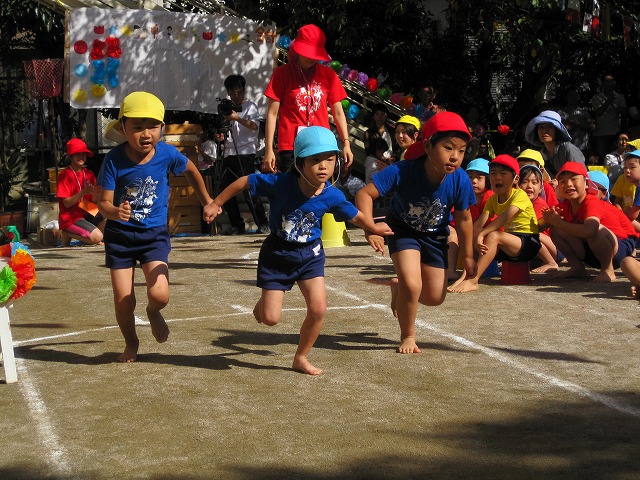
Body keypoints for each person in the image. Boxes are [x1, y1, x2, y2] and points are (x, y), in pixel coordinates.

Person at [206, 126, 393, 375]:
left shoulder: (332, 195)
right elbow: (245, 181)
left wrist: (374, 228)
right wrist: (216, 203)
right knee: (270, 319)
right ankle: (265, 301)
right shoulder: (280, 183)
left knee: (318, 309)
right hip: (277, 256)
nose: (323, 166)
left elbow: (355, 215)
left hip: (310, 257)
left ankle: (301, 357)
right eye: (315, 160)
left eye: (330, 159)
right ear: (300, 162)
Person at [97, 91, 219, 363]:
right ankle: (131, 342)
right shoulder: (113, 159)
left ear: (162, 128)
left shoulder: (167, 153)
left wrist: (207, 201)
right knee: (124, 301)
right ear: (122, 128)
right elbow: (102, 203)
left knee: (160, 295)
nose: (146, 134)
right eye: (137, 127)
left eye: (152, 126)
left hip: (153, 236)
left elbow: (191, 170)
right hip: (120, 237)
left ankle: (153, 312)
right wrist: (115, 212)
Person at [356, 112, 476, 354]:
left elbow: (464, 219)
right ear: (428, 146)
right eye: (448, 147)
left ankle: (398, 287)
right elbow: (364, 194)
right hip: (403, 231)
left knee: (434, 297)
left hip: (435, 236)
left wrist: (468, 256)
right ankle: (408, 335)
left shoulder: (460, 180)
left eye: (461, 151)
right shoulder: (403, 170)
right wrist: (371, 229)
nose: (455, 156)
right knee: (412, 285)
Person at [262, 24, 352, 173]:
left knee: (320, 187)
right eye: (307, 52)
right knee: (293, 186)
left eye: (314, 54)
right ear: (297, 49)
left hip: (321, 144)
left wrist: (346, 143)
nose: (311, 58)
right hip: (291, 145)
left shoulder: (329, 75)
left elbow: (338, 113)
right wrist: (269, 149)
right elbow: (272, 114)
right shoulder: (282, 74)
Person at [448, 155, 540, 293]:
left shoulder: (520, 195)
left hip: (528, 242)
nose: (497, 178)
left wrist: (483, 234)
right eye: (493, 173)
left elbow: (505, 217)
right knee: (475, 232)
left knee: (493, 235)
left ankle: (473, 280)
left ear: (516, 179)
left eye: (503, 174)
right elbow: (479, 223)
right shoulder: (493, 199)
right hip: (509, 244)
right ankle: (467, 275)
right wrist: (476, 237)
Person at [542, 162, 636, 283]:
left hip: (619, 250)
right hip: (593, 252)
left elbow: (590, 230)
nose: (568, 184)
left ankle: (608, 270)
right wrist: (547, 220)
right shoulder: (565, 205)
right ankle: (577, 268)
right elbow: (541, 225)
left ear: (586, 184)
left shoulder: (591, 201)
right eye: (563, 181)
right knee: (556, 230)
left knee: (597, 230)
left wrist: (560, 223)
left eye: (573, 179)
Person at [216, 74, 269, 235]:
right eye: (233, 93)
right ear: (228, 92)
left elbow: (254, 126)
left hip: (246, 152)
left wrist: (236, 118)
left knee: (248, 188)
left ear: (244, 90)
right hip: (228, 151)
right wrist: (220, 135)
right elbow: (222, 127)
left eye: (239, 92)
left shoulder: (250, 106)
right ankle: (236, 224)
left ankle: (262, 222)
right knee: (225, 189)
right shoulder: (226, 106)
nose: (236, 96)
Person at [447, 158, 494, 281]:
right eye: (470, 176)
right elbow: (454, 220)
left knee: (474, 233)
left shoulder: (489, 196)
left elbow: (489, 223)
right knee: (451, 234)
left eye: (479, 178)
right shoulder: (463, 194)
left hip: (483, 235)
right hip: (467, 233)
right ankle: (450, 271)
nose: (473, 181)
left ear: (488, 179)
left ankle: (469, 272)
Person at [57, 138, 106, 246]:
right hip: (70, 216)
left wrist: (95, 195)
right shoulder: (64, 175)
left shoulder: (89, 174)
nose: (81, 157)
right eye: (77, 154)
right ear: (70, 156)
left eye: (83, 154)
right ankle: (68, 233)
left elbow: (93, 201)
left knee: (109, 214)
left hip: (86, 208)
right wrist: (83, 192)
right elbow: (66, 203)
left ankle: (91, 237)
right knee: (97, 237)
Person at [518, 164, 559, 273]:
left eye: (534, 182)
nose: (529, 186)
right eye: (525, 182)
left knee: (528, 232)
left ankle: (551, 262)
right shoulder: (518, 203)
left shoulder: (539, 204)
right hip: (535, 249)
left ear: (541, 188)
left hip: (552, 249)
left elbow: (532, 229)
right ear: (517, 185)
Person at [524, 110, 585, 182]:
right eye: (541, 127)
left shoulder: (568, 149)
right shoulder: (540, 155)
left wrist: (560, 184)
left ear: (557, 130)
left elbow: (581, 178)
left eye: (549, 127)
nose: (544, 131)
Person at [591, 74, 627, 160]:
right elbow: (598, 112)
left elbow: (624, 112)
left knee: (616, 158)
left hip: (615, 132)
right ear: (602, 83)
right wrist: (608, 100)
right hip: (601, 133)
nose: (609, 84)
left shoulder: (620, 97)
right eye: (606, 81)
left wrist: (614, 102)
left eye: (611, 81)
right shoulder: (596, 97)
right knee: (601, 158)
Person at [557, 85, 594, 155]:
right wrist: (581, 125)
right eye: (570, 95)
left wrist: (576, 123)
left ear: (579, 97)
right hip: (566, 147)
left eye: (576, 95)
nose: (573, 97)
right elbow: (562, 128)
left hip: (583, 147)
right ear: (566, 97)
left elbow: (591, 127)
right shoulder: (561, 112)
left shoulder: (584, 112)